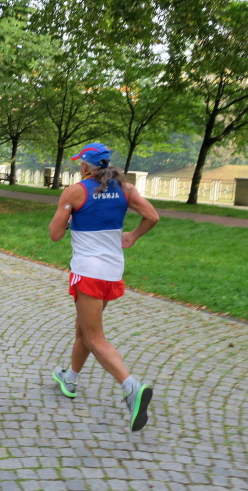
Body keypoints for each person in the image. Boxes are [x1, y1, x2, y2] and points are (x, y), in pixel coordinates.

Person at [48, 143, 160, 432]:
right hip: (112, 272)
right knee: (84, 330)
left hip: (88, 272)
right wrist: (133, 236)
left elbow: (55, 235)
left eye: (80, 163)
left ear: (85, 166)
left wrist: (69, 219)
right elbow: (152, 216)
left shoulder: (75, 191)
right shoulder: (126, 188)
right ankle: (70, 378)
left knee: (95, 337)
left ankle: (131, 387)